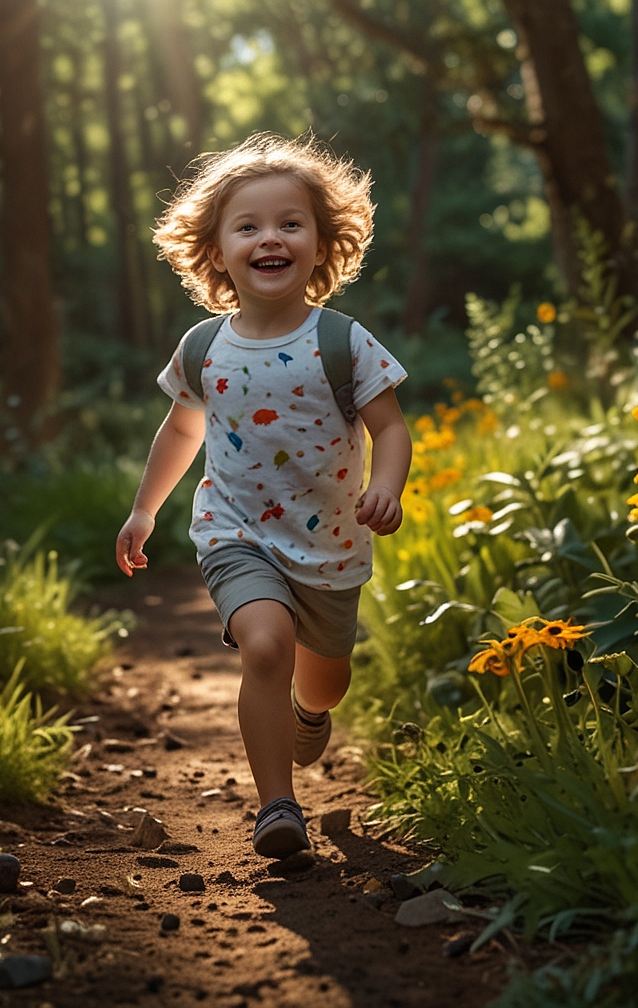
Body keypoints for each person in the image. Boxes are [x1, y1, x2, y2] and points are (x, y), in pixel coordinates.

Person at [114, 133, 413, 859]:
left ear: (321, 244)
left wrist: (385, 485)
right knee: (266, 646)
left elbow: (391, 428)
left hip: (330, 545)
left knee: (326, 683)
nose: (270, 238)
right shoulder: (203, 348)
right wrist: (145, 508)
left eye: (290, 223)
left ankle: (309, 711)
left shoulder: (343, 341)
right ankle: (278, 805)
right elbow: (181, 432)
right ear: (217, 251)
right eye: (248, 226)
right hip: (236, 534)